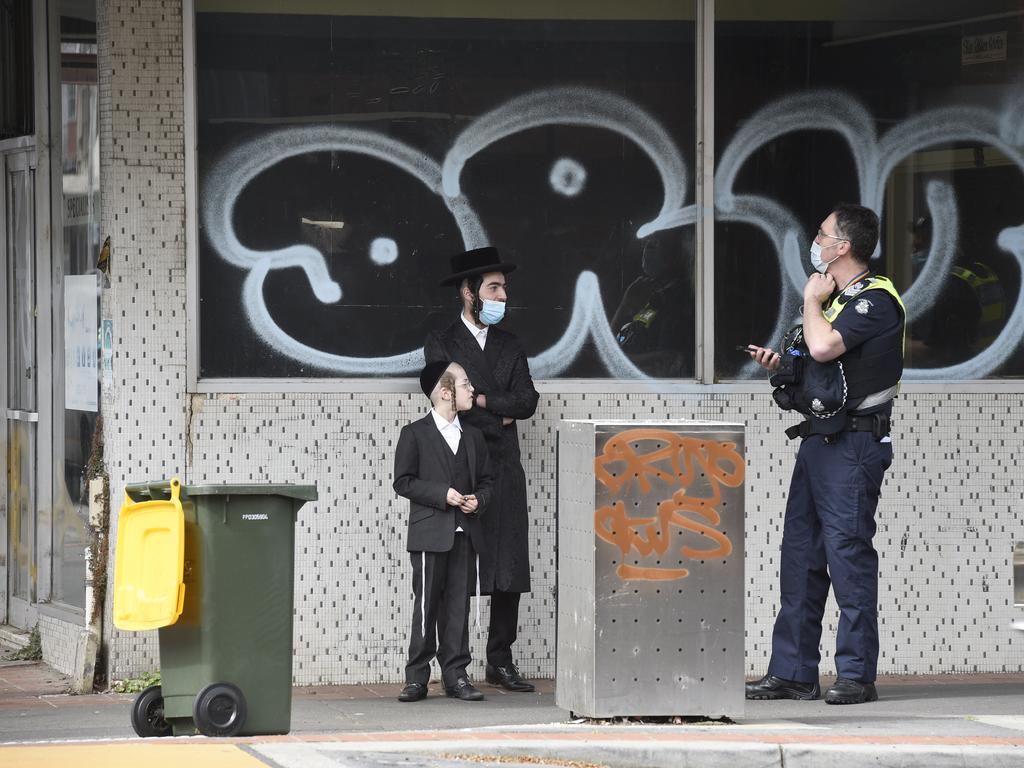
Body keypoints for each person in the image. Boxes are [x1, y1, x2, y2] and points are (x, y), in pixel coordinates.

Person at [744, 203, 905, 705]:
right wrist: (779, 366)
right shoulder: (834, 300)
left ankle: (856, 674)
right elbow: (807, 366)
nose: (815, 241)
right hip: (819, 439)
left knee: (848, 558)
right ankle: (793, 670)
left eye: (822, 234)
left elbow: (823, 349)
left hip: (854, 444)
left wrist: (812, 301)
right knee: (801, 558)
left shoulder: (873, 300)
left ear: (844, 247)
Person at [425, 246, 540, 693]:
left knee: (508, 564)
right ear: (469, 292)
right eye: (494, 288)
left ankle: (501, 659)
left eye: (504, 288)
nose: (502, 295)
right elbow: (447, 400)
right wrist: (498, 411)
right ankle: (455, 664)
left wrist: (484, 401)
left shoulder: (511, 344)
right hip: (461, 464)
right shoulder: (441, 341)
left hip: (505, 467)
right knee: (459, 565)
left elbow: (527, 401)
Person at [393, 360, 494, 703]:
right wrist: (442, 495)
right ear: (446, 392)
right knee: (426, 607)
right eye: (465, 384)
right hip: (428, 534)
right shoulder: (415, 433)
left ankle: (456, 675)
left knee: (457, 607)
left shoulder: (474, 437)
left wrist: (477, 501)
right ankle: (416, 677)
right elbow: (403, 482)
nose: (472, 390)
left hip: (465, 533)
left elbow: (488, 483)